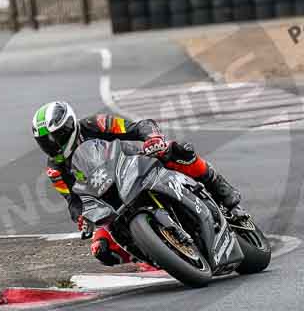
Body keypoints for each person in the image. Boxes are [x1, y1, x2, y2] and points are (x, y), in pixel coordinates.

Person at [32, 100, 247, 267]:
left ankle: (226, 197)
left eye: (56, 136)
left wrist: (152, 138)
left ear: (70, 125)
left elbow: (138, 126)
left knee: (179, 151)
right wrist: (81, 217)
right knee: (101, 249)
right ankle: (156, 257)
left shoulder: (94, 124)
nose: (52, 144)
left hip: (134, 163)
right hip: (108, 202)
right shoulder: (55, 169)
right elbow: (71, 200)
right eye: (45, 142)